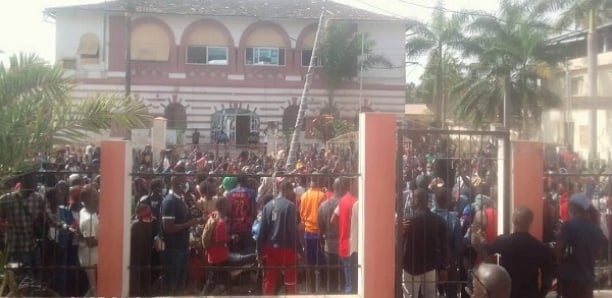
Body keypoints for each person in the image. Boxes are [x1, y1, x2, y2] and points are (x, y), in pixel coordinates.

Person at [478, 206, 555, 298]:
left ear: (513, 220)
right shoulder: (541, 248)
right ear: (530, 222)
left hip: (508, 292)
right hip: (530, 293)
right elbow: (547, 277)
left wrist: (481, 240)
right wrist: (541, 294)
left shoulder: (504, 241)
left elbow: (487, 251)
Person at [556, 193, 607, 298]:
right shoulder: (596, 229)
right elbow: (599, 254)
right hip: (588, 278)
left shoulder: (568, 226)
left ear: (573, 208)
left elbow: (558, 251)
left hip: (570, 278)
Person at [256, 181, 302, 295]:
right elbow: (293, 231)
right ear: (287, 190)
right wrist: (300, 250)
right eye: (292, 191)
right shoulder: (290, 206)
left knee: (270, 280)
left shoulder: (268, 206)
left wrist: (259, 251)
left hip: (271, 248)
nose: (293, 194)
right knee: (290, 281)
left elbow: (261, 231)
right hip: (288, 249)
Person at [403, 188, 448, 298]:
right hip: (430, 266)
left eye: (411, 198)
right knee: (431, 295)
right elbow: (444, 245)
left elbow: (401, 244)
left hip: (411, 267)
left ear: (417, 200)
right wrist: (443, 267)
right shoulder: (437, 220)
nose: (409, 201)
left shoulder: (408, 221)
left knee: (410, 295)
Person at [160, 175, 201, 295]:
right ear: (176, 184)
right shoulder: (169, 201)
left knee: (180, 284)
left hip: (182, 247)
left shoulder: (181, 199)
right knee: (171, 284)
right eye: (183, 182)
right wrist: (188, 224)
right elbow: (168, 227)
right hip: (173, 249)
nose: (186, 185)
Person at [432, 187, 462, 298]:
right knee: (451, 291)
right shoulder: (454, 219)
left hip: (430, 261)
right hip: (449, 261)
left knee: (430, 291)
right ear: (448, 201)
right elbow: (458, 246)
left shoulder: (429, 216)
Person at [299, 176, 327, 292]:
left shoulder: (304, 195)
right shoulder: (322, 195)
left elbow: (301, 214)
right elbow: (323, 214)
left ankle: (311, 288)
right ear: (318, 182)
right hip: (319, 232)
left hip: (308, 231)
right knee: (321, 259)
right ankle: (324, 284)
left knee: (310, 261)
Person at [331, 178, 357, 294]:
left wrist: (343, 225)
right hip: (353, 247)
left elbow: (333, 219)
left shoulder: (342, 201)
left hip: (343, 244)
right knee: (352, 284)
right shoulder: (357, 202)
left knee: (349, 282)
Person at [318, 178, 344, 293]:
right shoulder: (349, 204)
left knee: (332, 279)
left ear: (333, 188)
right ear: (343, 188)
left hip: (329, 245)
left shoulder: (323, 205)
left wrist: (323, 240)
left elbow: (321, 228)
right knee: (345, 278)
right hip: (345, 245)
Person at [201, 197, 230, 295]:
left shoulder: (213, 215)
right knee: (216, 278)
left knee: (216, 277)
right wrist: (231, 238)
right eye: (227, 204)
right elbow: (219, 240)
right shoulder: (221, 222)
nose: (229, 206)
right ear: (223, 206)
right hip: (219, 255)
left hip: (212, 253)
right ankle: (204, 294)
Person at [226, 176, 257, 253]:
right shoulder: (251, 193)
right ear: (246, 181)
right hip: (247, 225)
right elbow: (253, 212)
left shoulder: (230, 193)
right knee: (248, 251)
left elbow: (228, 211)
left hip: (234, 226)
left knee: (235, 251)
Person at [78, 185, 99, 296]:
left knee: (94, 288)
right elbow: (91, 243)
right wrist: (108, 239)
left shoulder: (86, 210)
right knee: (95, 289)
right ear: (86, 199)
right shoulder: (88, 219)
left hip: (91, 257)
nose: (98, 197)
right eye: (95, 196)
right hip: (91, 260)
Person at [130, 203, 154, 297]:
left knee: (145, 286)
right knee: (137, 287)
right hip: (136, 260)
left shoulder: (148, 224)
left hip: (146, 260)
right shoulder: (135, 226)